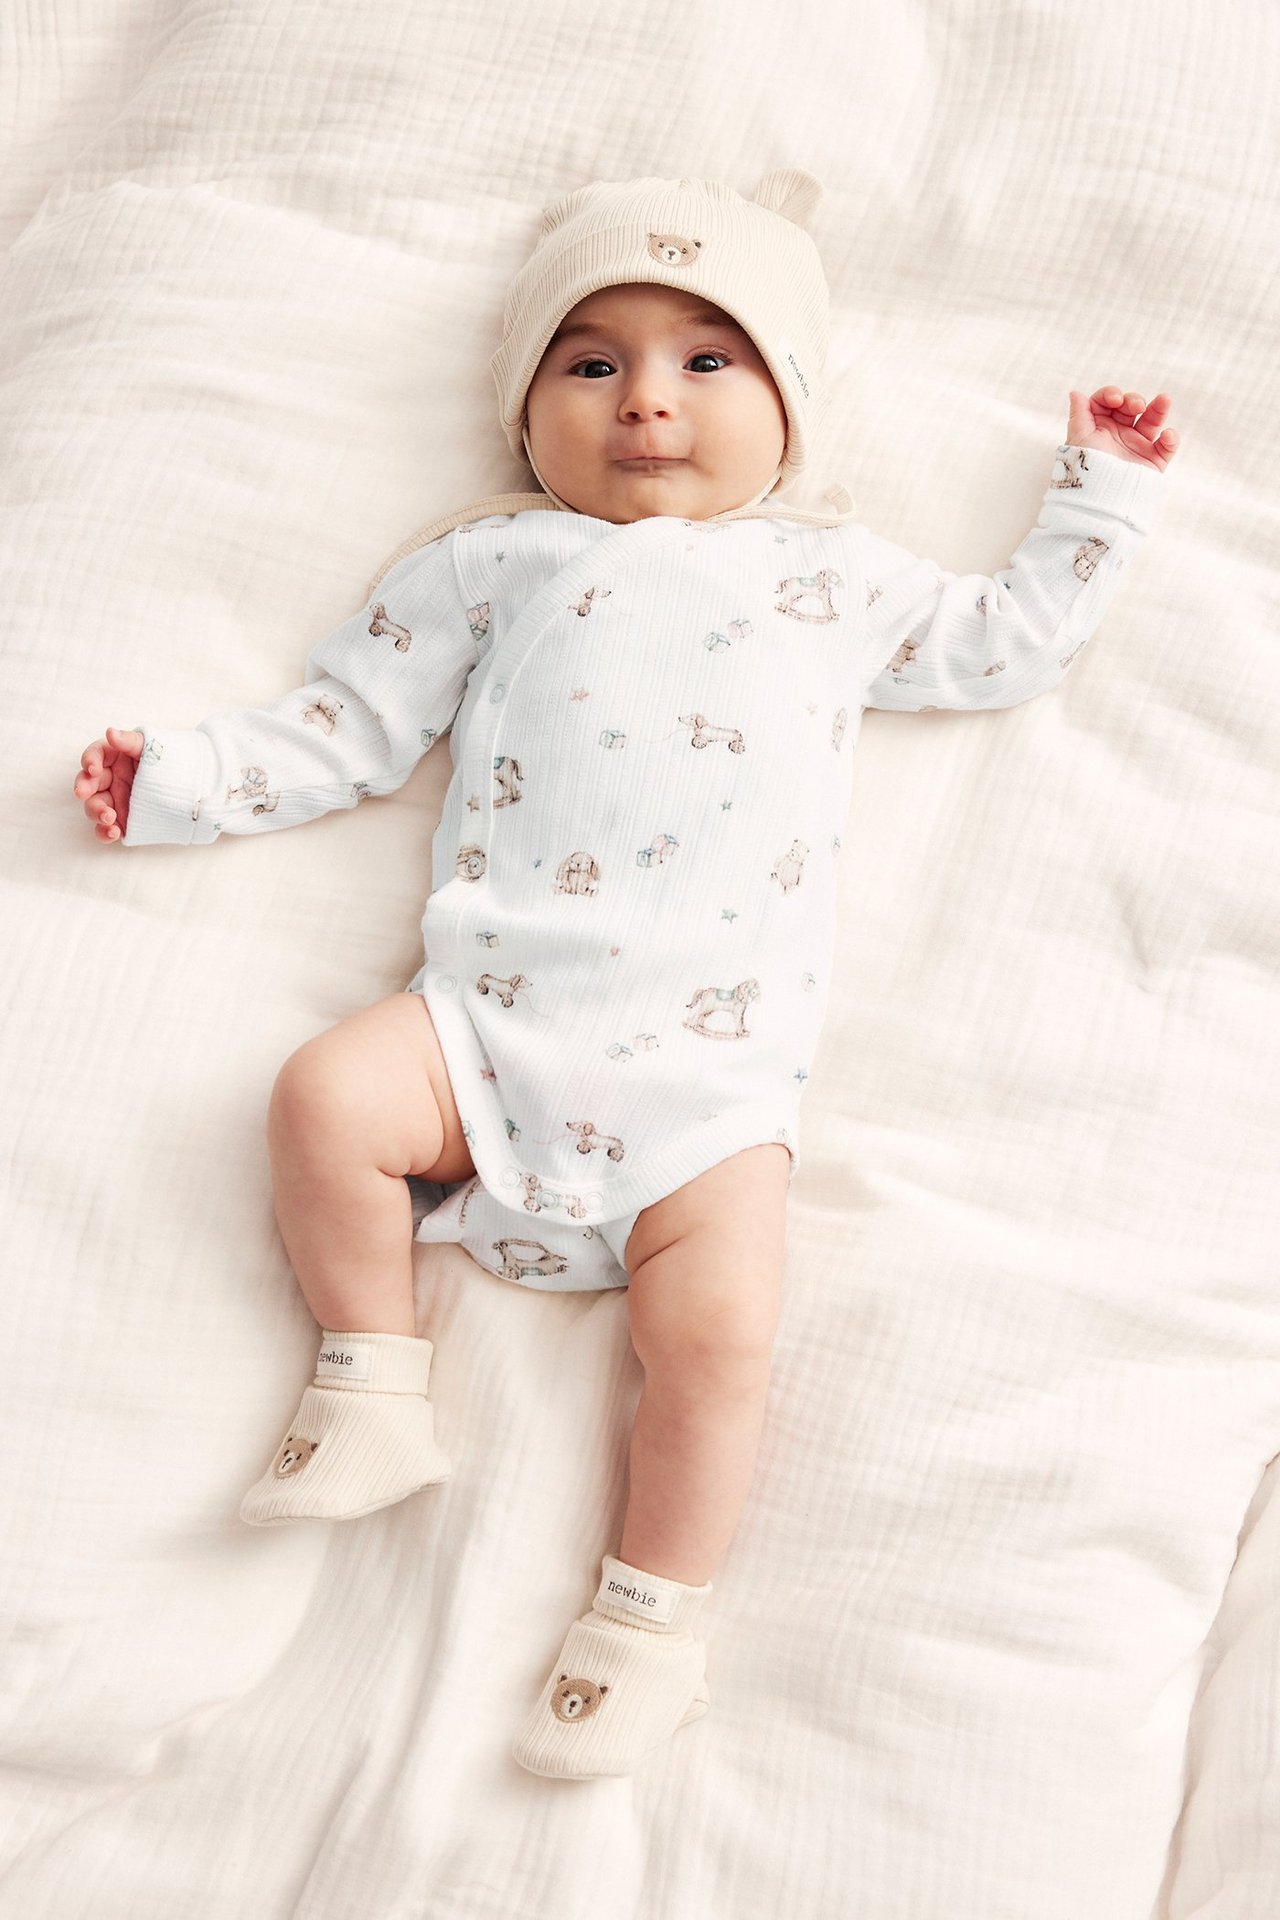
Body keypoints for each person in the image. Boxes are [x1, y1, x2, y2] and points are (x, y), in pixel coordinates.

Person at [72, 169, 1179, 1780]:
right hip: (489, 1019)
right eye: (590, 363)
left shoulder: (831, 577)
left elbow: (1002, 644)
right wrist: (176, 779)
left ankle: (650, 1618)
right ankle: (370, 1372)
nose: (646, 401)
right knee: (323, 1093)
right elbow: (349, 725)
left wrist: (1102, 498)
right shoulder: (489, 563)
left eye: (706, 361)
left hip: (710, 1072)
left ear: (789, 408)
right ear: (526, 411)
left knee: (720, 1335)